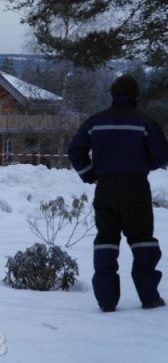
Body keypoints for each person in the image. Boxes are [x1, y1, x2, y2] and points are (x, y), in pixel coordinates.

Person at [68, 75, 168, 312]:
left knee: (106, 242)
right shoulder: (145, 122)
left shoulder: (95, 122)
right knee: (142, 240)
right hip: (135, 188)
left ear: (113, 94)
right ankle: (149, 297)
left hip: (106, 189)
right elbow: (162, 156)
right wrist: (145, 164)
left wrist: (90, 174)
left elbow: (75, 150)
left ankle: (106, 300)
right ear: (136, 96)